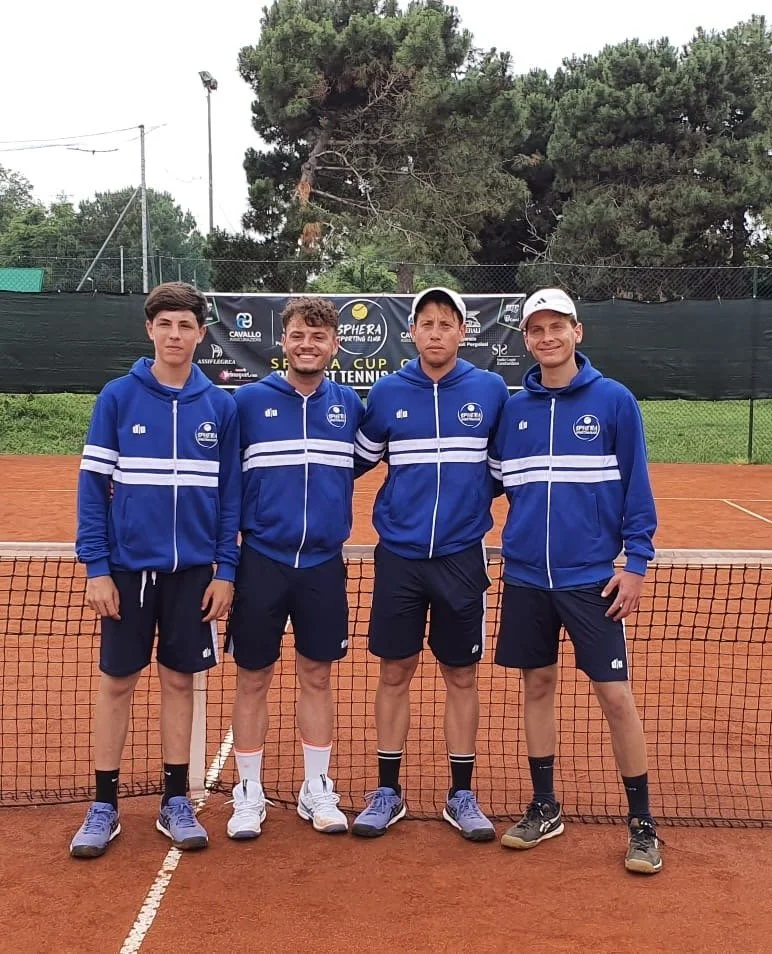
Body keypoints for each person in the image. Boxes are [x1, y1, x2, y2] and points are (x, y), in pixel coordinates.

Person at [488, 287, 661, 874]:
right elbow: (487, 482)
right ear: (527, 340)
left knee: (615, 697)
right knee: (536, 688)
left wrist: (635, 563)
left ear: (576, 331)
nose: (547, 337)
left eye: (557, 326)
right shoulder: (513, 411)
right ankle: (545, 806)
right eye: (536, 329)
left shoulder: (614, 402)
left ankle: (642, 823)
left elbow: (638, 488)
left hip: (592, 581)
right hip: (529, 580)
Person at [70, 281, 241, 858]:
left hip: (194, 574)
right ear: (151, 329)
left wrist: (226, 569)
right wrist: (97, 566)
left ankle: (175, 801)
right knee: (117, 682)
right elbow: (93, 488)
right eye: (165, 324)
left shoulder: (219, 406)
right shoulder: (118, 397)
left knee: (179, 682)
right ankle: (104, 805)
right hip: (124, 572)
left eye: (185, 325)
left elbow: (230, 497)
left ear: (200, 333)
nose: (175, 334)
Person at [351, 287, 509, 841]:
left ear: (462, 333)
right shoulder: (387, 392)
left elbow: (505, 468)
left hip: (463, 558)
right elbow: (352, 462)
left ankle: (461, 794)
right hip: (399, 557)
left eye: (447, 323)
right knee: (394, 672)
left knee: (461, 675)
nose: (436, 332)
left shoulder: (490, 391)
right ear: (412, 331)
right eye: (427, 322)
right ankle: (387, 791)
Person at [225, 296, 364, 839]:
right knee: (252, 677)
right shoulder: (247, 404)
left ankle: (316, 789)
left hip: (324, 565)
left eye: (319, 336)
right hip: (261, 560)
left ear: (334, 344)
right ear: (283, 341)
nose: (308, 344)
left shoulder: (349, 406)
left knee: (318, 676)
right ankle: (248, 794)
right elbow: (224, 477)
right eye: (298, 335)